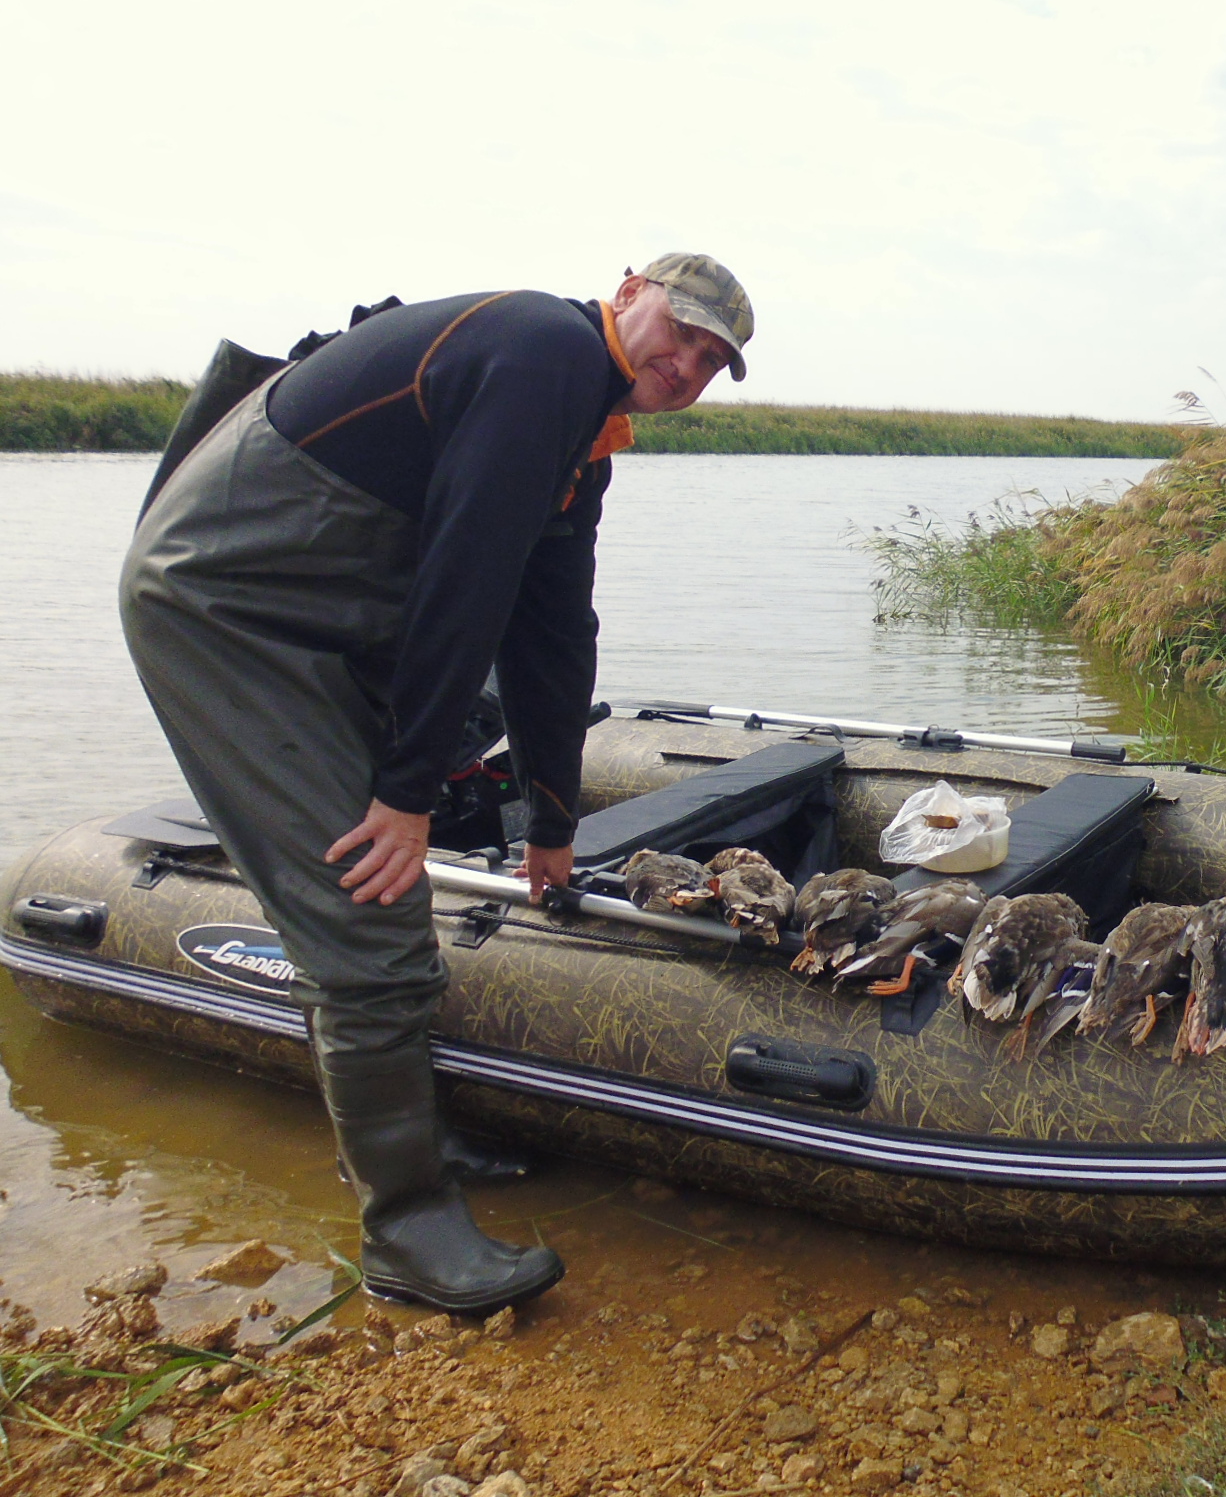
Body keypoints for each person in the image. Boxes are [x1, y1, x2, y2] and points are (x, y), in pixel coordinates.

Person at [119, 253, 754, 1314]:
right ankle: (405, 1232)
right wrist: (405, 794)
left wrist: (552, 818)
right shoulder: (544, 354)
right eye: (680, 331)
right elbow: (467, 578)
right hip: (227, 612)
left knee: (422, 829)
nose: (686, 364)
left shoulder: (582, 437)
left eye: (711, 359)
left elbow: (553, 631)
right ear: (626, 290)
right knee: (367, 907)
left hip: (325, 614)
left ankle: (405, 1140)